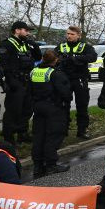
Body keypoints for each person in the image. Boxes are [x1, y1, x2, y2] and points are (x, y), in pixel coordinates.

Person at [29, 50, 71, 178]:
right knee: (53, 135)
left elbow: (29, 90)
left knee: (39, 136)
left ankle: (38, 166)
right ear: (56, 60)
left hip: (38, 107)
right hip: (54, 108)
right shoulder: (56, 74)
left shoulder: (33, 71)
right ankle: (51, 165)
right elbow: (66, 93)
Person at [0, 20, 41, 144]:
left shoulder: (26, 44)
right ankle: (9, 137)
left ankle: (22, 133)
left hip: (27, 81)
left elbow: (37, 57)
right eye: (26, 30)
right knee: (13, 110)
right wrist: (11, 82)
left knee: (27, 109)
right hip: (15, 82)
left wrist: (34, 45)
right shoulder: (7, 45)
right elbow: (4, 65)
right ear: (17, 30)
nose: (28, 33)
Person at [55, 25, 97, 140]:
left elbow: (93, 57)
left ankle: (82, 130)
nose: (69, 36)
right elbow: (53, 58)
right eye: (68, 34)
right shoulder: (61, 46)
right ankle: (63, 130)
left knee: (82, 106)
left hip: (79, 79)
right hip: (64, 80)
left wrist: (75, 58)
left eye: (72, 34)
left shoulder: (85, 46)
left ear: (78, 35)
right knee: (63, 105)